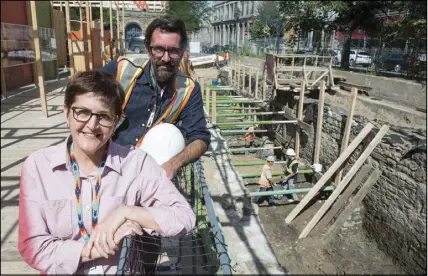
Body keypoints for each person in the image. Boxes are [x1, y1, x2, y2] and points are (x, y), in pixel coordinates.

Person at [18, 71, 196, 274]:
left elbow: (184, 218)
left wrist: (126, 213)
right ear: (67, 112)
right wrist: (90, 250)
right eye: (82, 112)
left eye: (104, 116)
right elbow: (32, 247)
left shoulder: (135, 163)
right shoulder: (39, 167)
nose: (92, 125)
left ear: (116, 121)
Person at [100, 16, 210, 180]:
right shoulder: (121, 71)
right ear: (148, 49)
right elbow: (80, 95)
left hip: (147, 176)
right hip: (105, 167)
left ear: (182, 53)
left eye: (173, 51)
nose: (165, 58)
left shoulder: (188, 89)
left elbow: (200, 137)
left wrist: (173, 164)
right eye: (158, 49)